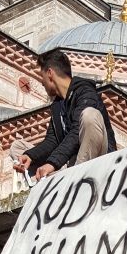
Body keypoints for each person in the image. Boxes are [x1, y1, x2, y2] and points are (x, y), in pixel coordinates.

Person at [11, 48, 116, 181]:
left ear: (50, 73)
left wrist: (52, 163)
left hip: (99, 158)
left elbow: (77, 130)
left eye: (41, 76)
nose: (42, 82)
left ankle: (76, 178)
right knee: (17, 148)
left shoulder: (85, 92)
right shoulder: (58, 105)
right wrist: (30, 156)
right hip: (70, 162)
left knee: (90, 115)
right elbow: (52, 141)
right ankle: (51, 179)